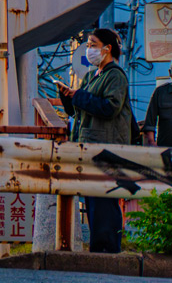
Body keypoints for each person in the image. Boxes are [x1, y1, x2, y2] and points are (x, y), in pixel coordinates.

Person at [55, 28, 133, 253]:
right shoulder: (91, 76)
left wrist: (78, 96)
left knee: (104, 199)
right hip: (88, 145)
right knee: (92, 200)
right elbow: (80, 111)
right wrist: (68, 97)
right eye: (88, 44)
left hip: (106, 147)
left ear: (107, 49)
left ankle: (107, 248)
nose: (88, 49)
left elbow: (109, 108)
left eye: (92, 44)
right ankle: (99, 247)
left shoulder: (115, 75)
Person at [145, 69, 172, 146]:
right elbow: (150, 122)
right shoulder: (160, 92)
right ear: (170, 73)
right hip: (164, 148)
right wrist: (152, 142)